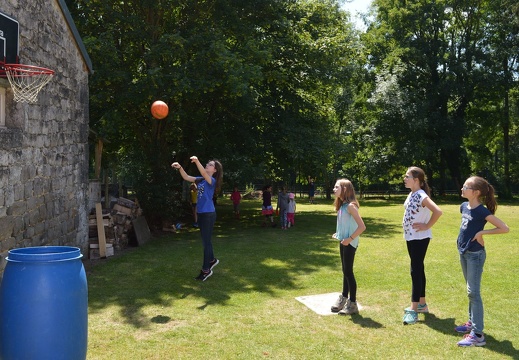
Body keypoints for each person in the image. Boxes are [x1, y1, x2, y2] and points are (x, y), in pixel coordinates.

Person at [454, 176, 509, 347]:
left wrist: (481, 234)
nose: (462, 189)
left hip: (475, 255)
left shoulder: (482, 211)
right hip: (463, 252)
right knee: (471, 291)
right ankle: (471, 323)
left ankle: (477, 335)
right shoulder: (464, 206)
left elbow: (504, 228)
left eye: (466, 187)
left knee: (473, 292)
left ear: (476, 192)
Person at [401, 166, 443, 325]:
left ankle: (413, 310)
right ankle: (422, 304)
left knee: (415, 270)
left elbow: (437, 211)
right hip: (412, 237)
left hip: (420, 238)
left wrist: (427, 225)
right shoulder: (412, 193)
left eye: (407, 176)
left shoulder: (421, 195)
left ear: (416, 180)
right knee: (419, 268)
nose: (405, 179)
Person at [171, 156, 223, 281]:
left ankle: (206, 270)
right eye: (207, 163)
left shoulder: (212, 181)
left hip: (208, 214)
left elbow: (204, 173)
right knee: (206, 241)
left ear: (214, 170)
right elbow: (187, 177)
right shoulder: (201, 180)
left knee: (206, 242)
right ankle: (212, 260)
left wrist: (197, 161)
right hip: (202, 213)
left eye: (210, 164)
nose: (207, 165)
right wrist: (180, 168)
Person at [330, 178, 366, 315]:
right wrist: (339, 234)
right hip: (344, 241)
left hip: (350, 243)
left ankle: (353, 303)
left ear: (345, 189)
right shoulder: (342, 205)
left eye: (336, 187)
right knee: (345, 271)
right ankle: (344, 298)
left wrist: (349, 238)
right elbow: (345, 224)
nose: (334, 189)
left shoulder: (351, 206)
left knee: (348, 272)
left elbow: (362, 227)